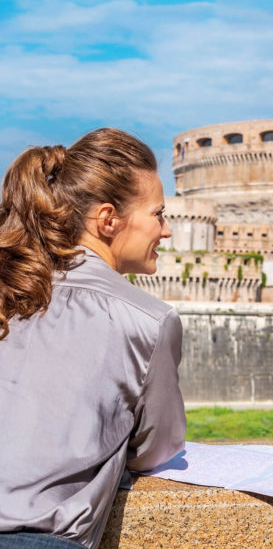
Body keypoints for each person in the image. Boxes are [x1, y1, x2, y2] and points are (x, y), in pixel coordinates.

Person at [0, 128, 187, 548]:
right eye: (158, 214)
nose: (167, 230)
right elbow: (158, 449)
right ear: (107, 220)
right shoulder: (148, 319)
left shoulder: (12, 288)